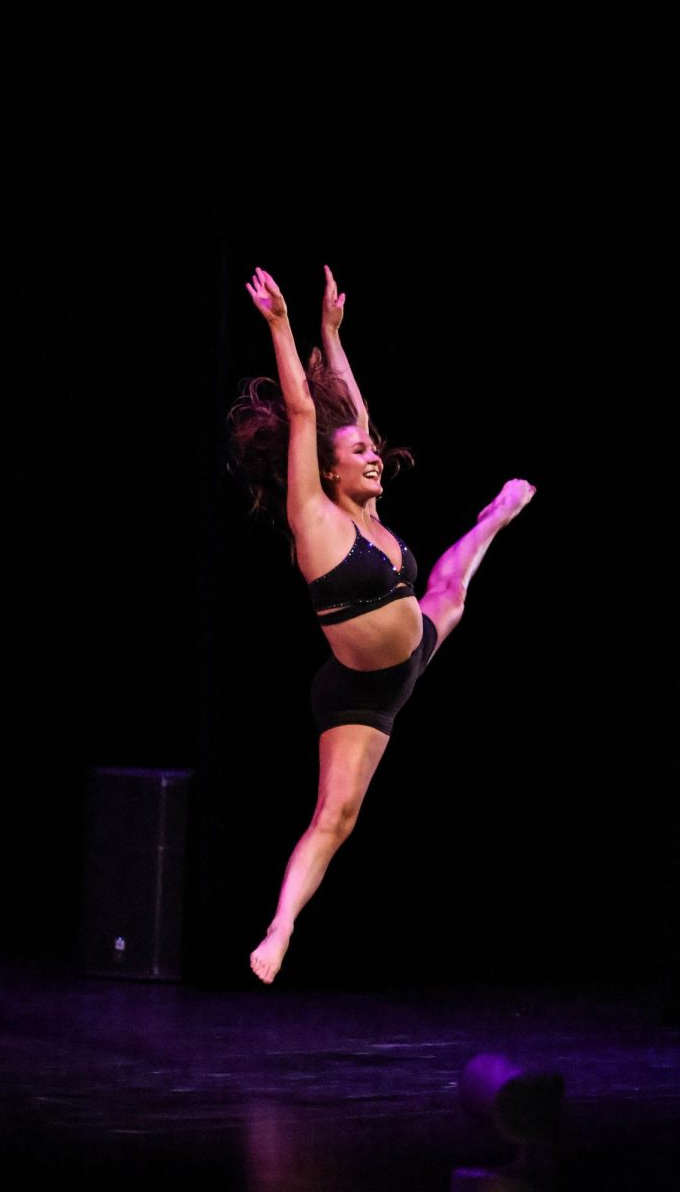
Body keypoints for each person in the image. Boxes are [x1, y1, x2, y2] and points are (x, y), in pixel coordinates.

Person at [230, 265, 536, 984]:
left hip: (411, 654)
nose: (373, 454)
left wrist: (335, 335)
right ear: (328, 474)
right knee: (335, 820)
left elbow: (352, 415)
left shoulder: (368, 514)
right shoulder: (316, 518)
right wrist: (281, 325)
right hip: (362, 690)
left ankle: (495, 516)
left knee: (451, 590)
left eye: (371, 450)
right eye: (359, 454)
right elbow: (309, 415)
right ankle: (279, 929)